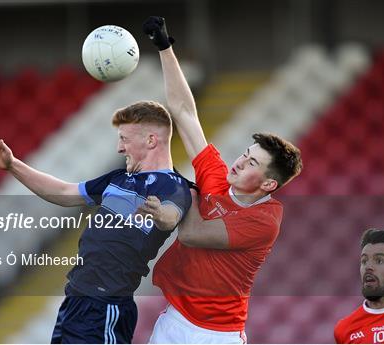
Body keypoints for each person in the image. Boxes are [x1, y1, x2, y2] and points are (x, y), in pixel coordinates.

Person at [0, 100, 192, 343]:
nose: (120, 148)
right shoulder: (118, 178)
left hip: (106, 306)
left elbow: (170, 217)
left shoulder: (174, 185)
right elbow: (66, 193)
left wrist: (159, 213)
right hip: (76, 301)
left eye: (125, 139)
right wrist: (13, 165)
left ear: (151, 140)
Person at [142, 17, 303, 343]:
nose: (241, 160)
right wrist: (164, 48)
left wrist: (184, 189)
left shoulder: (265, 220)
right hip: (173, 321)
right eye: (246, 152)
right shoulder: (216, 175)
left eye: (253, 162)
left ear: (268, 184)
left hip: (217, 336)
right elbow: (185, 112)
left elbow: (192, 233)